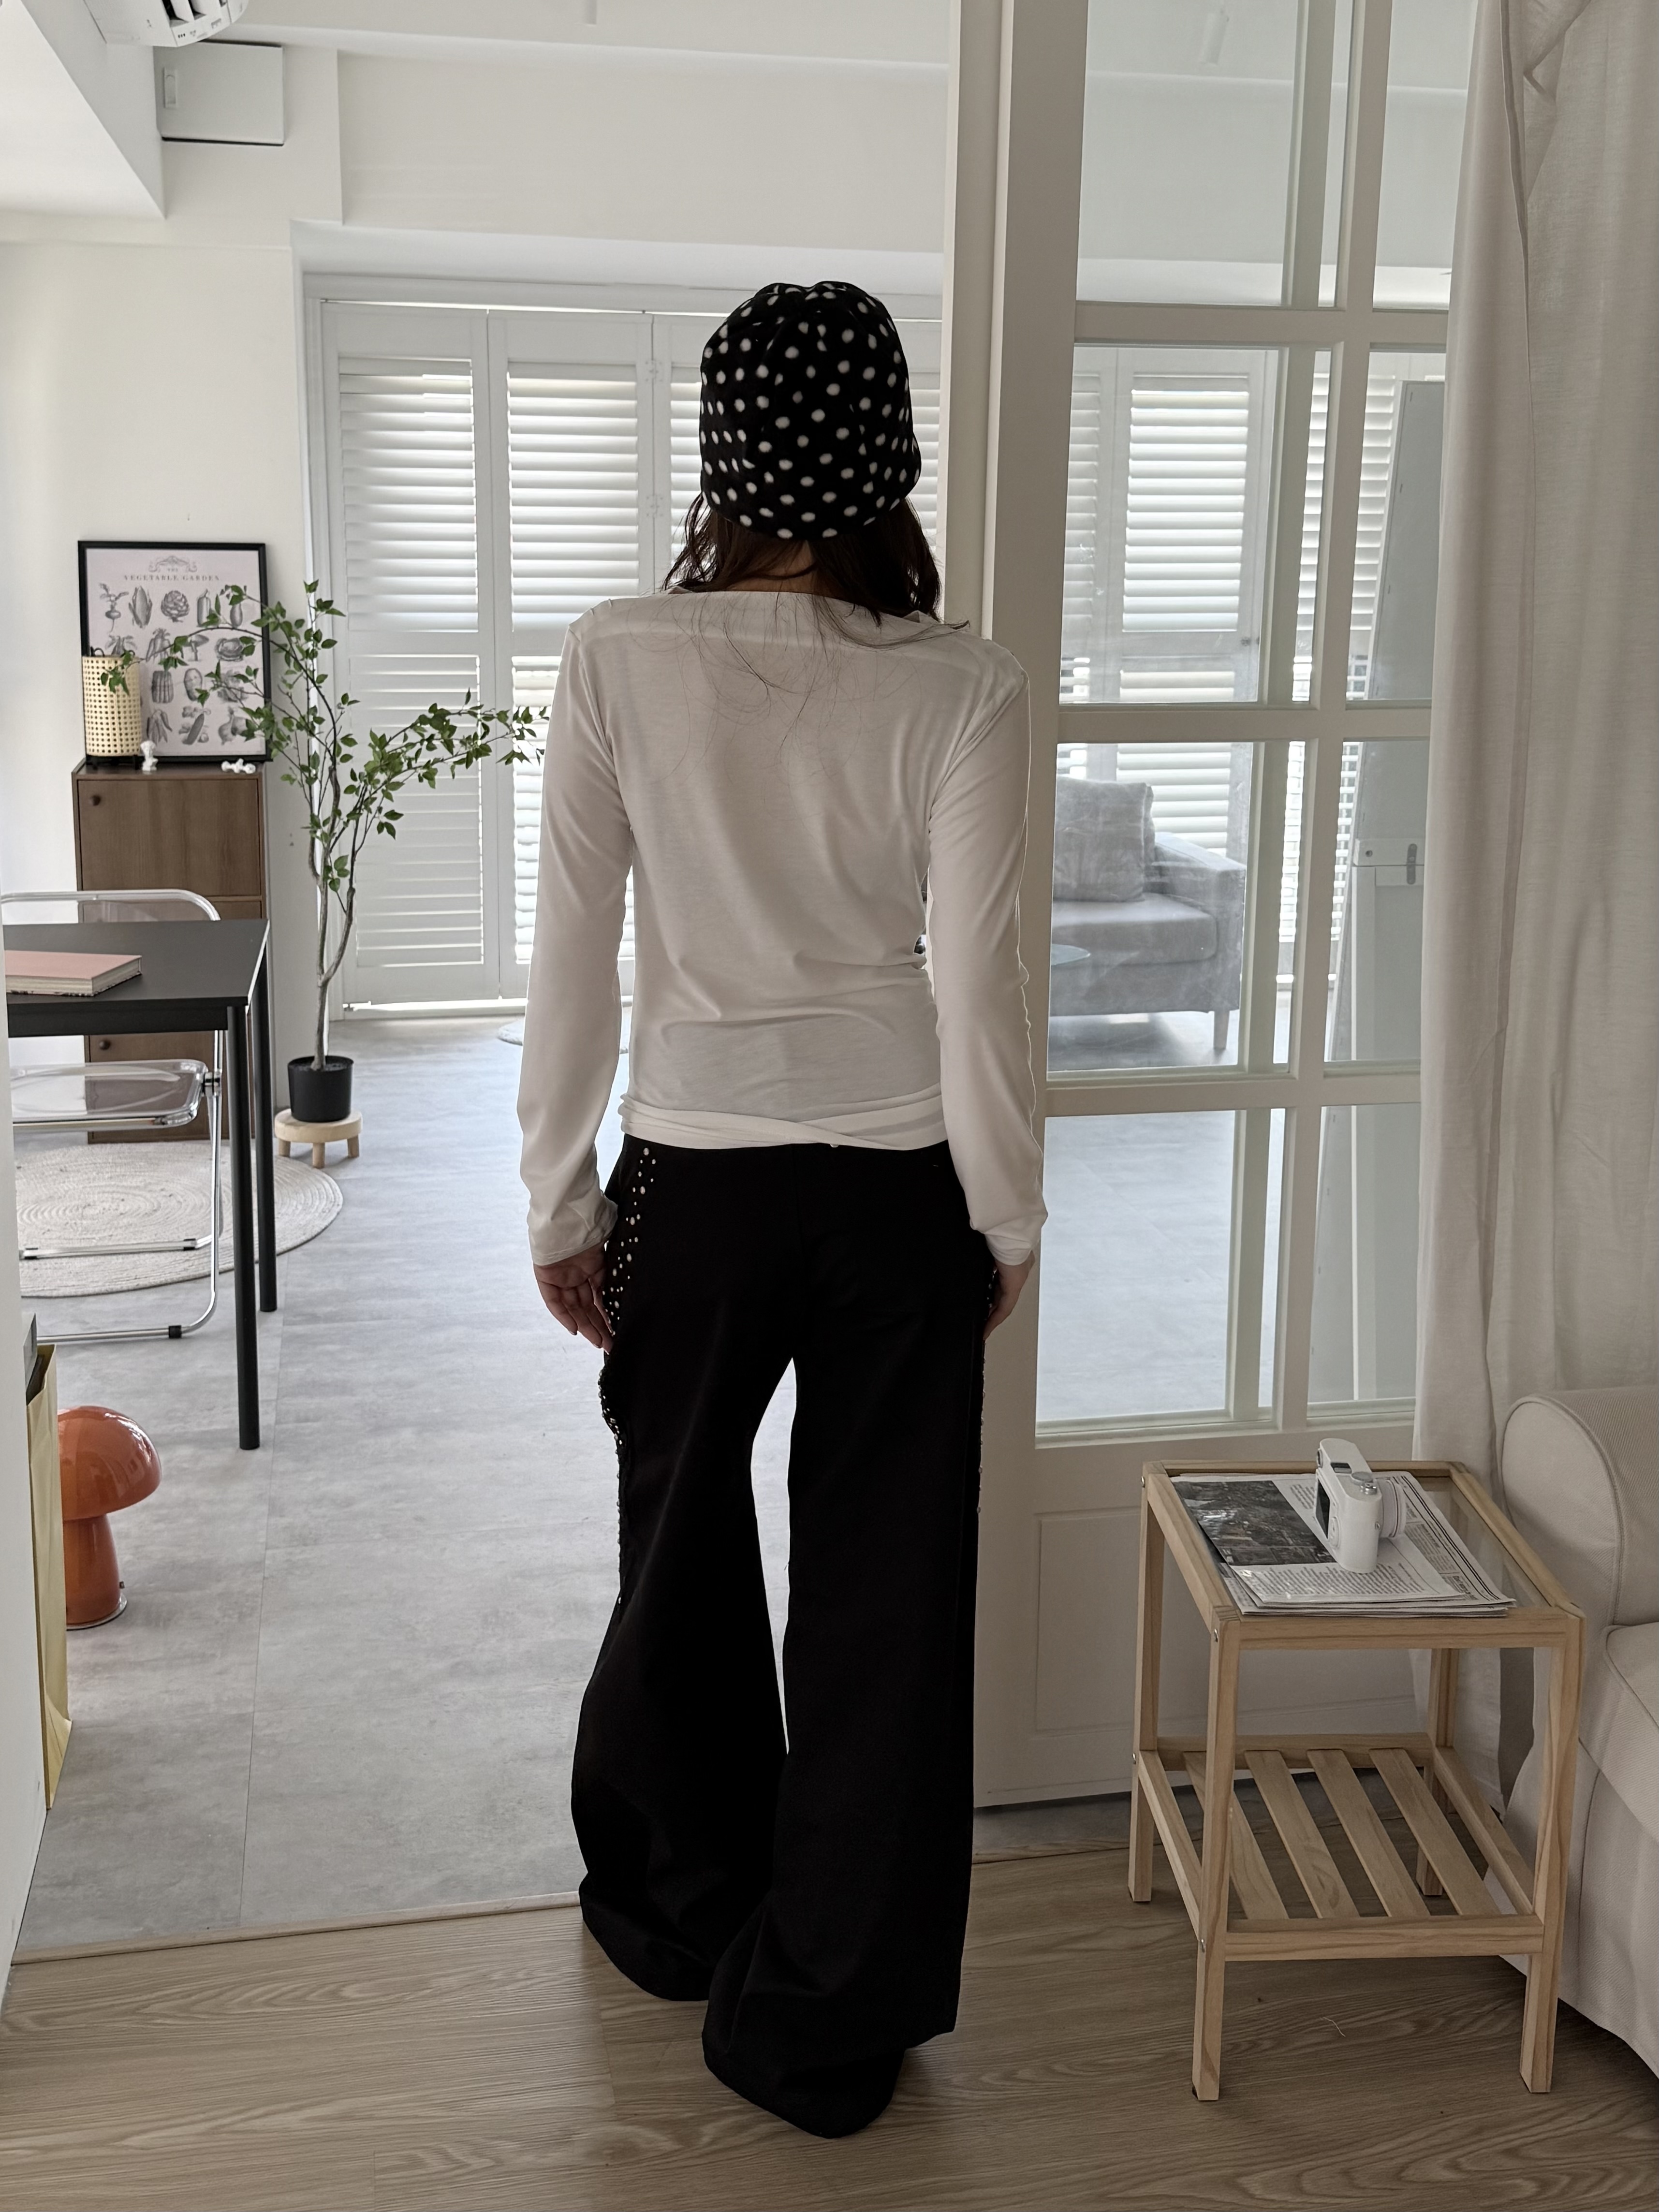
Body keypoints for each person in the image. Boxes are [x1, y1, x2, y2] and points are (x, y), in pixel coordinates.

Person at [517, 279, 1046, 2139]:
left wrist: (559, 1201)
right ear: (891, 456)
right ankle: (827, 2019)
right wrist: (1004, 1218)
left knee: (676, 1552)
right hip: (900, 1191)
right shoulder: (968, 684)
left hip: (694, 1181)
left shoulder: (617, 654)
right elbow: (983, 993)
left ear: (723, 456)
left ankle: (682, 1910)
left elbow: (569, 954)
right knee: (890, 1604)